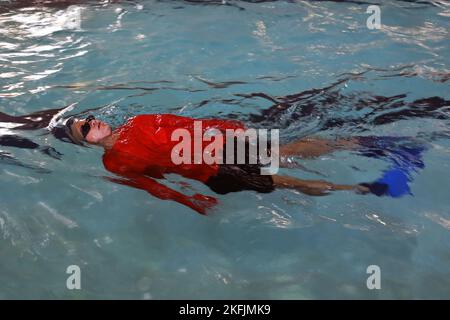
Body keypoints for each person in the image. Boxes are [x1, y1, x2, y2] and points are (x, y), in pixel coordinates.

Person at [61, 113, 426, 214]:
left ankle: (367, 145)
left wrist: (233, 129)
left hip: (221, 150)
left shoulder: (136, 124)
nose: (96, 122)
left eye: (91, 117)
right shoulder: (115, 164)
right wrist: (190, 200)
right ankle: (369, 187)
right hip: (214, 171)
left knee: (290, 152)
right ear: (83, 144)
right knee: (287, 178)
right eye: (87, 128)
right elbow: (152, 184)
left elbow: (188, 125)